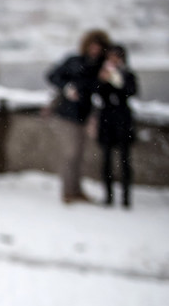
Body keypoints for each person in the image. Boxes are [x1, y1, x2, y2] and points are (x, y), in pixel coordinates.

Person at [46, 28, 111, 204]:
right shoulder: (73, 61)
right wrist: (67, 87)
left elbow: (104, 91)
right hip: (67, 114)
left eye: (99, 47)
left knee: (80, 155)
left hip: (86, 115)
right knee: (70, 153)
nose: (95, 50)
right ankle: (68, 191)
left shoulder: (102, 67)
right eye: (93, 46)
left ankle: (76, 190)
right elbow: (52, 75)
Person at [95, 44, 137, 208]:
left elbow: (130, 91)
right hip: (107, 120)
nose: (113, 59)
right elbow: (98, 93)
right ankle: (108, 196)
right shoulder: (102, 74)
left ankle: (126, 197)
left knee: (125, 160)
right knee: (106, 160)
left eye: (117, 56)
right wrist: (104, 80)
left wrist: (116, 79)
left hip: (123, 120)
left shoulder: (127, 74)